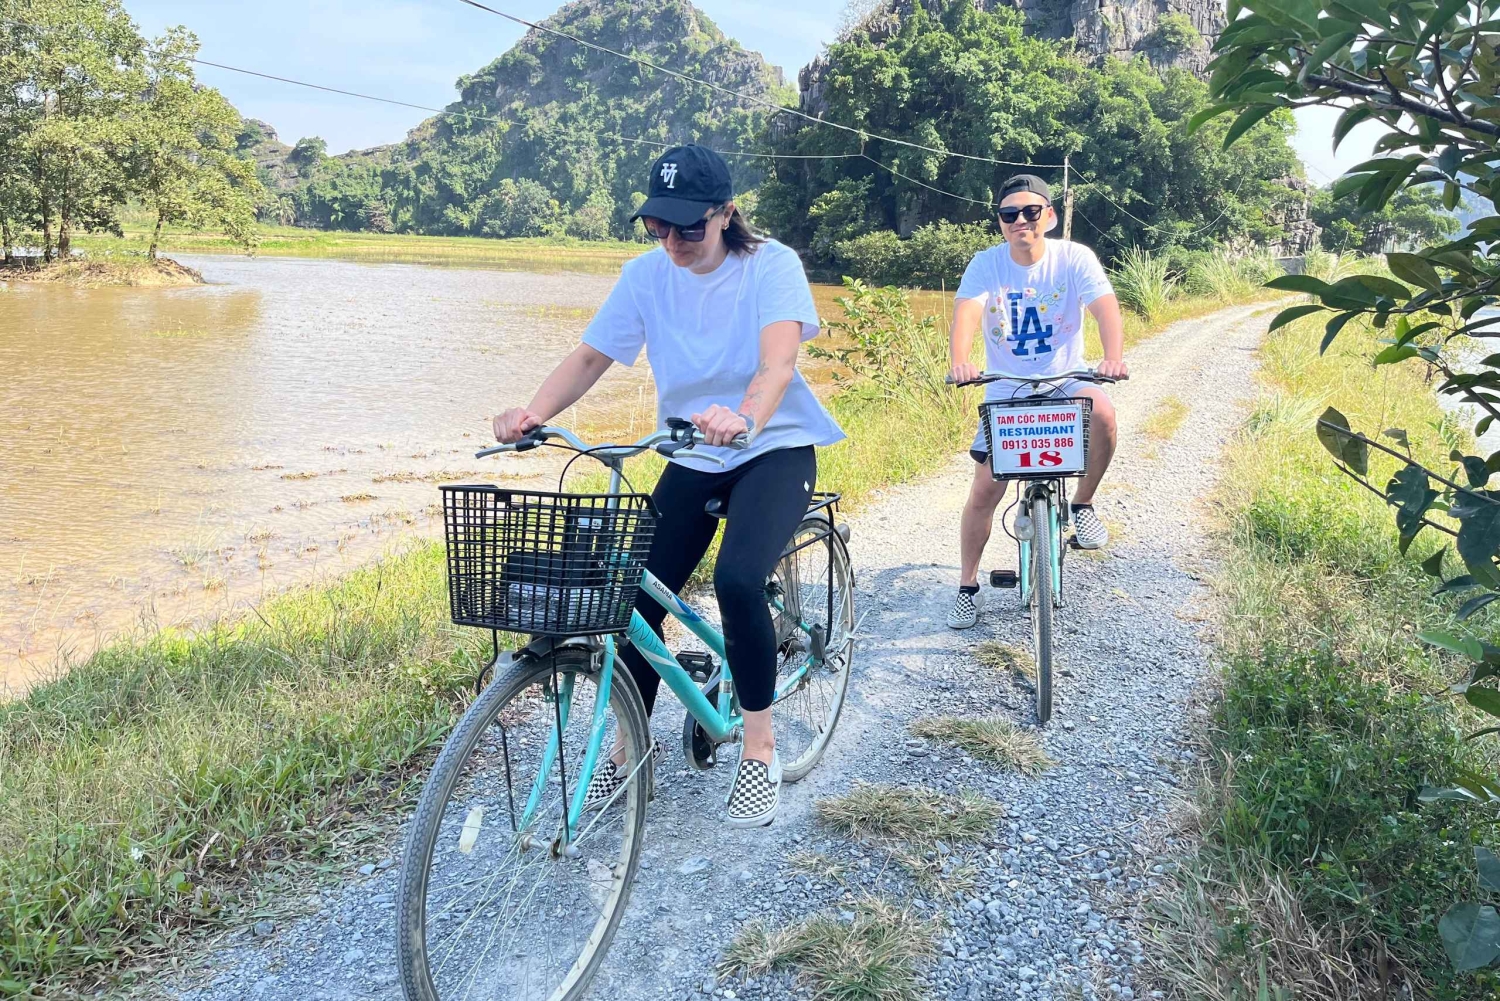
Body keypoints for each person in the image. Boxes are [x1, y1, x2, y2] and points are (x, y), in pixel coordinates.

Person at [490, 144, 844, 827]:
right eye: (659, 226)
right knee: (628, 594)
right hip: (691, 451)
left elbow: (776, 364)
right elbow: (592, 355)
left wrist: (743, 416)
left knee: (740, 580)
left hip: (771, 446)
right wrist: (535, 412)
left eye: (690, 228)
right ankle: (629, 750)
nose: (674, 242)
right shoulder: (645, 276)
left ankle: (759, 751)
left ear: (725, 215)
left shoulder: (771, 265)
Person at [945, 174, 1128, 630]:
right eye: (1010, 214)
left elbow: (1104, 306)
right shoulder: (987, 264)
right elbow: (968, 310)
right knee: (986, 490)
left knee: (1102, 413)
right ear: (1001, 222)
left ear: (1048, 215)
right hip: (1007, 387)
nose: (1020, 221)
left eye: (1030, 212)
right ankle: (967, 586)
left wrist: (1113, 357)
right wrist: (961, 361)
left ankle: (1082, 506)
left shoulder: (1073, 257)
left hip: (1066, 380)